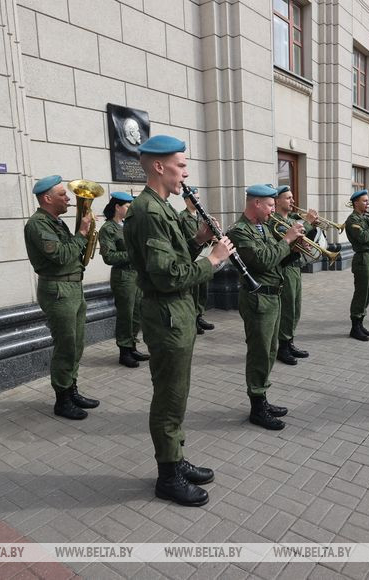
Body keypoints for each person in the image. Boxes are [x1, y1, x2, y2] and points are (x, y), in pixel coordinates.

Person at [123, 135, 234, 507]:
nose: (185, 173)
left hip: (177, 314)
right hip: (166, 316)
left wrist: (199, 241)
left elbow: (172, 259)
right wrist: (213, 260)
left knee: (177, 393)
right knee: (169, 397)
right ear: (159, 166)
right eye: (181, 165)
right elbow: (167, 277)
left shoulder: (161, 207)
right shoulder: (148, 211)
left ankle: (176, 457)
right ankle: (168, 476)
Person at [227, 184, 304, 430]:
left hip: (273, 297)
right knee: (259, 352)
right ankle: (257, 408)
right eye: (270, 205)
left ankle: (262, 398)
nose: (273, 209)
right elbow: (262, 261)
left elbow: (277, 261)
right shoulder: (239, 231)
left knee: (270, 351)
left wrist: (295, 249)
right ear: (256, 203)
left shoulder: (264, 226)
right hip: (258, 300)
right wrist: (287, 240)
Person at [23, 175, 99, 420]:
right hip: (58, 290)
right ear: (47, 198)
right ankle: (62, 399)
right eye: (62, 194)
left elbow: (74, 254)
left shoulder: (55, 222)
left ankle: (71, 388)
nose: (68, 198)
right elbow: (62, 256)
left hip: (72, 288)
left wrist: (85, 235)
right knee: (66, 346)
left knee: (76, 344)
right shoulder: (37, 225)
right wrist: (82, 233)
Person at [98, 191, 150, 368]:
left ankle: (132, 346)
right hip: (123, 277)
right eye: (128, 206)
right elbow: (109, 257)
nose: (130, 209)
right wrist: (133, 254)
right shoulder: (108, 229)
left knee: (136, 314)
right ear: (117, 207)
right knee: (125, 315)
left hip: (136, 274)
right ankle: (124, 352)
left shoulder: (128, 225)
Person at [272, 185, 318, 365]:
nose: (292, 200)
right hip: (284, 268)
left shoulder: (292, 219)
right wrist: (307, 223)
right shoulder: (274, 221)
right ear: (277, 201)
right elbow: (285, 242)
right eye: (288, 198)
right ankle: (282, 347)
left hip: (296, 266)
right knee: (287, 308)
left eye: (292, 197)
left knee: (296, 307)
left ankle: (289, 342)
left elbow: (302, 240)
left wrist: (311, 230)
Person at [345, 189, 369, 340]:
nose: (368, 203)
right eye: (365, 201)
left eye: (368, 200)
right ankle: (355, 327)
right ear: (356, 203)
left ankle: (360, 324)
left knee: (368, 293)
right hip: (362, 258)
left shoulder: (366, 217)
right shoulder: (352, 220)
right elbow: (363, 238)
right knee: (361, 293)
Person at [179, 189, 215, 335]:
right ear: (187, 200)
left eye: (198, 198)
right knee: (194, 290)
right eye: (194, 198)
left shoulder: (202, 216)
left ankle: (199, 315)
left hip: (204, 255)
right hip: (191, 256)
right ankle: (193, 319)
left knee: (203, 288)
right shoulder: (182, 217)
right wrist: (201, 237)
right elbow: (184, 239)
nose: (197, 201)